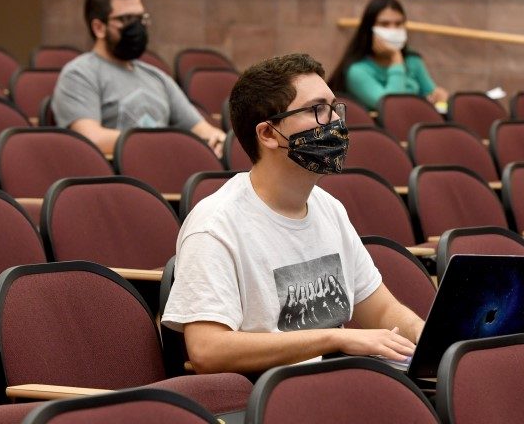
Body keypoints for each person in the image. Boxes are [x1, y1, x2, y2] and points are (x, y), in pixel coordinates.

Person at [162, 53, 424, 375]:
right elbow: (208, 350)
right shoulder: (216, 225)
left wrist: (427, 336)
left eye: (334, 108)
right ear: (268, 134)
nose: (336, 122)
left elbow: (381, 311)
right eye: (317, 110)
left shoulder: (329, 208)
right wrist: (333, 339)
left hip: (336, 386)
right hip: (266, 398)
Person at [52, 0, 225, 156]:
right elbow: (91, 139)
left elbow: (204, 130)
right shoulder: (79, 74)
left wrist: (216, 140)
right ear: (99, 28)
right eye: (126, 19)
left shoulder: (157, 76)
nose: (137, 27)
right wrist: (167, 143)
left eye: (140, 19)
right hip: (117, 177)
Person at [329, 0, 448, 111]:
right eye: (384, 24)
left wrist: (439, 97)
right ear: (369, 29)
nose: (393, 30)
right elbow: (391, 106)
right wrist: (395, 59)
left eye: (398, 24)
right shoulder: (357, 71)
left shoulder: (413, 60)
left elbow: (432, 94)